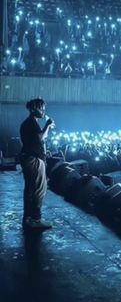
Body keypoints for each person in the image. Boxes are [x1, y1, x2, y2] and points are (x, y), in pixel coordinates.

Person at [19, 98, 55, 230]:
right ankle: (36, 219)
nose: (43, 111)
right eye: (41, 108)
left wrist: (47, 128)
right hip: (33, 160)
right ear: (34, 109)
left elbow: (39, 139)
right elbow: (40, 138)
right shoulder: (31, 123)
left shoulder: (30, 123)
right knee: (39, 190)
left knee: (30, 190)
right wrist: (48, 125)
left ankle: (28, 218)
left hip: (29, 158)